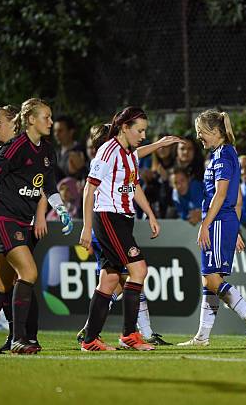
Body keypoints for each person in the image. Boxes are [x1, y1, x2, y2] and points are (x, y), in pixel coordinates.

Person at [0, 98, 73, 355]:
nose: (51, 122)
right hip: (2, 218)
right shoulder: (14, 147)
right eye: (46, 117)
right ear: (30, 119)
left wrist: (60, 208)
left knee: (0, 283)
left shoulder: (47, 151)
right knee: (28, 273)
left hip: (21, 220)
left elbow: (49, 186)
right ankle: (20, 338)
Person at [75, 123, 181, 347]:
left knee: (110, 279)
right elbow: (88, 190)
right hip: (108, 221)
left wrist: (150, 214)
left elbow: (134, 183)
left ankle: (91, 338)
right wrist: (86, 227)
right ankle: (129, 335)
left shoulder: (125, 157)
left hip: (119, 221)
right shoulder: (106, 157)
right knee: (137, 270)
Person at [178, 110, 246, 348]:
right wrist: (235, 229)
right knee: (209, 280)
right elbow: (237, 197)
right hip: (224, 221)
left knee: (211, 280)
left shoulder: (222, 157)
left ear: (216, 131)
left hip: (218, 221)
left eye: (202, 133)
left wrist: (206, 224)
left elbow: (221, 194)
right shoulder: (225, 154)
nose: (200, 138)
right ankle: (202, 337)